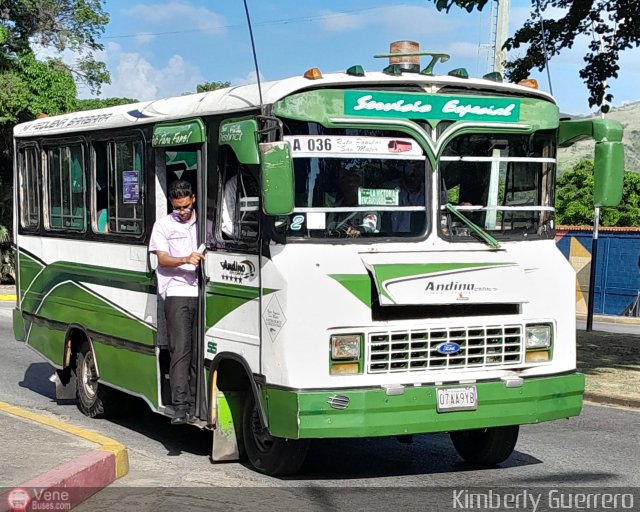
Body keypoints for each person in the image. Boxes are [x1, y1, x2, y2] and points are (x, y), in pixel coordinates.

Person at [149, 180, 204, 425]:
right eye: (177, 207)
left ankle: (195, 403)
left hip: (202, 290)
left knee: (197, 351)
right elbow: (161, 259)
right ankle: (180, 406)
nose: (182, 211)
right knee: (180, 350)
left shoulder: (204, 223)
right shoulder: (163, 225)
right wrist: (185, 259)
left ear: (193, 198)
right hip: (177, 292)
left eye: (185, 206)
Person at [327, 170, 380, 237]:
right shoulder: (335, 207)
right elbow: (328, 227)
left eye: (355, 181)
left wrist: (360, 229)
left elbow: (370, 224)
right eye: (347, 181)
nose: (350, 185)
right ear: (342, 185)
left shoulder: (367, 204)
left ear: (359, 186)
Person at [390, 162, 425, 234]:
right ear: (404, 167)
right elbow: (374, 213)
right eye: (411, 164)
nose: (415, 170)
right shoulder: (389, 189)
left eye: (419, 166)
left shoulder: (431, 191)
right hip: (389, 240)